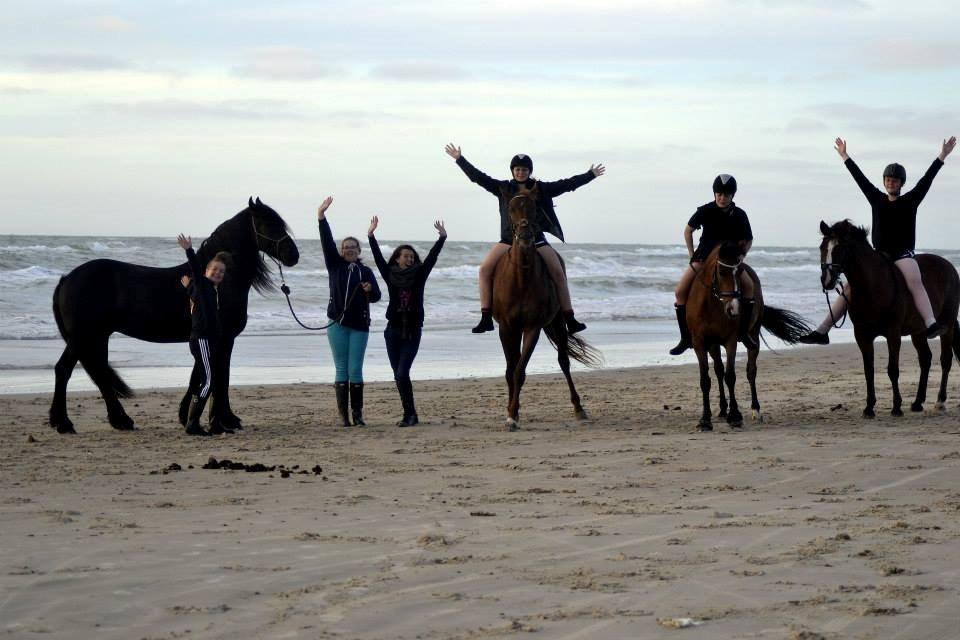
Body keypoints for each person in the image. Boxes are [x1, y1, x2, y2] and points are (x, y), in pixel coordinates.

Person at [799, 136, 957, 344]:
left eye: (895, 180)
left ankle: (930, 323)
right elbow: (860, 179)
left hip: (903, 256)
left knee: (915, 281)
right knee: (849, 288)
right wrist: (845, 155)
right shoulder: (876, 199)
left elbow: (926, 180)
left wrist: (942, 155)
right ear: (884, 182)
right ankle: (822, 330)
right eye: (888, 180)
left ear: (901, 183)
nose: (891, 183)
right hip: (880, 256)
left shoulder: (910, 200)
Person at [444, 143, 604, 334]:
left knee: (558, 272)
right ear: (513, 171)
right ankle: (486, 317)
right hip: (508, 240)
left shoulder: (541, 189)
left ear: (529, 171)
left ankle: (570, 318)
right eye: (518, 169)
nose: (521, 172)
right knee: (484, 269)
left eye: (524, 169)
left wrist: (590, 175)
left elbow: (567, 184)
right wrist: (460, 160)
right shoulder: (502, 188)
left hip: (536, 239)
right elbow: (478, 178)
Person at [367, 216, 447, 426]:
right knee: (398, 375)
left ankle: (410, 415)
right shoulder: (390, 274)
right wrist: (371, 236)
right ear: (397, 259)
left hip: (412, 331)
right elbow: (377, 259)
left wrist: (442, 238)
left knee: (402, 372)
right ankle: (410, 414)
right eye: (406, 256)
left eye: (412, 257)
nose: (410, 259)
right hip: (392, 330)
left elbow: (431, 258)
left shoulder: (419, 275)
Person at [670, 174, 758, 355]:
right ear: (714, 193)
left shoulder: (740, 214)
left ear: (732, 196)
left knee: (749, 286)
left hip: (729, 261)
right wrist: (692, 254)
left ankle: (744, 333)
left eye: (726, 195)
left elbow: (748, 239)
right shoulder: (705, 210)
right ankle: (685, 338)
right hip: (703, 258)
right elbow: (688, 231)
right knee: (679, 291)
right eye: (719, 194)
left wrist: (742, 255)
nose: (722, 198)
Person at [317, 196, 382, 426]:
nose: (349, 250)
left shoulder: (365, 271)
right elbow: (325, 242)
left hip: (360, 326)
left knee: (355, 368)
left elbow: (377, 297)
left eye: (353, 247)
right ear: (341, 250)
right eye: (346, 248)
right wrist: (321, 217)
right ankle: (343, 416)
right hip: (336, 323)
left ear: (358, 250)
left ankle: (358, 414)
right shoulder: (335, 265)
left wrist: (369, 289)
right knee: (341, 368)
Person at [176, 234, 230, 436]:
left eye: (221, 271)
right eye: (214, 269)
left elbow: (195, 292)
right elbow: (196, 275)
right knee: (208, 381)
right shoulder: (203, 285)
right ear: (206, 271)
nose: (217, 272)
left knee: (207, 380)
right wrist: (189, 250)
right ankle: (192, 424)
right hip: (202, 340)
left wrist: (187, 286)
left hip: (206, 341)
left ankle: (195, 422)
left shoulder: (206, 291)